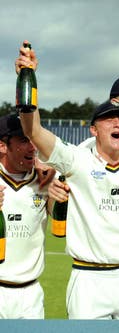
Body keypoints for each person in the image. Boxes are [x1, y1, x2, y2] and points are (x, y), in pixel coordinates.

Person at [15, 42, 119, 319]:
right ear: (94, 128)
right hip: (88, 279)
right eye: (109, 119)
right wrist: (27, 77)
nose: (118, 123)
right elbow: (33, 130)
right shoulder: (77, 159)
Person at [0, 114, 49, 319]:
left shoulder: (45, 180)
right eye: (23, 140)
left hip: (31, 296)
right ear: (3, 146)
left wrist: (56, 179)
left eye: (33, 140)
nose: (32, 147)